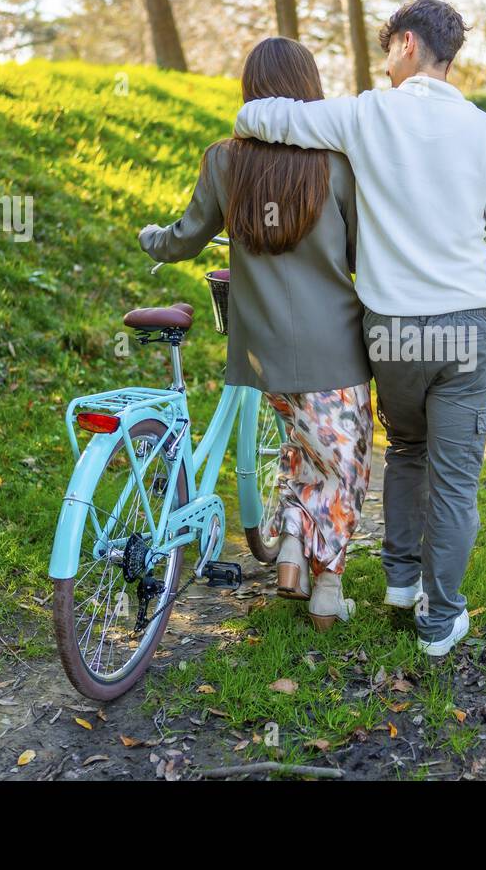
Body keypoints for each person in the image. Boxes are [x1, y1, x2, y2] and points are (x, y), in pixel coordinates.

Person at [233, 0, 486, 657]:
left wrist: (264, 116)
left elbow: (260, 116)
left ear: (406, 44)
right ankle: (441, 619)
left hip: (394, 333)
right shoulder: (485, 132)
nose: (385, 63)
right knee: (455, 476)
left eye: (388, 49)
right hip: (464, 329)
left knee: (407, 449)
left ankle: (402, 584)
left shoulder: (366, 115)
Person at [139, 36, 370, 631]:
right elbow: (359, 257)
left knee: (301, 447)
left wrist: (151, 241)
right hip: (333, 348)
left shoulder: (224, 160)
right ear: (309, 91)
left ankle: (293, 547)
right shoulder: (335, 163)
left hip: (259, 350)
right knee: (342, 464)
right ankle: (327, 590)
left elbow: (187, 236)